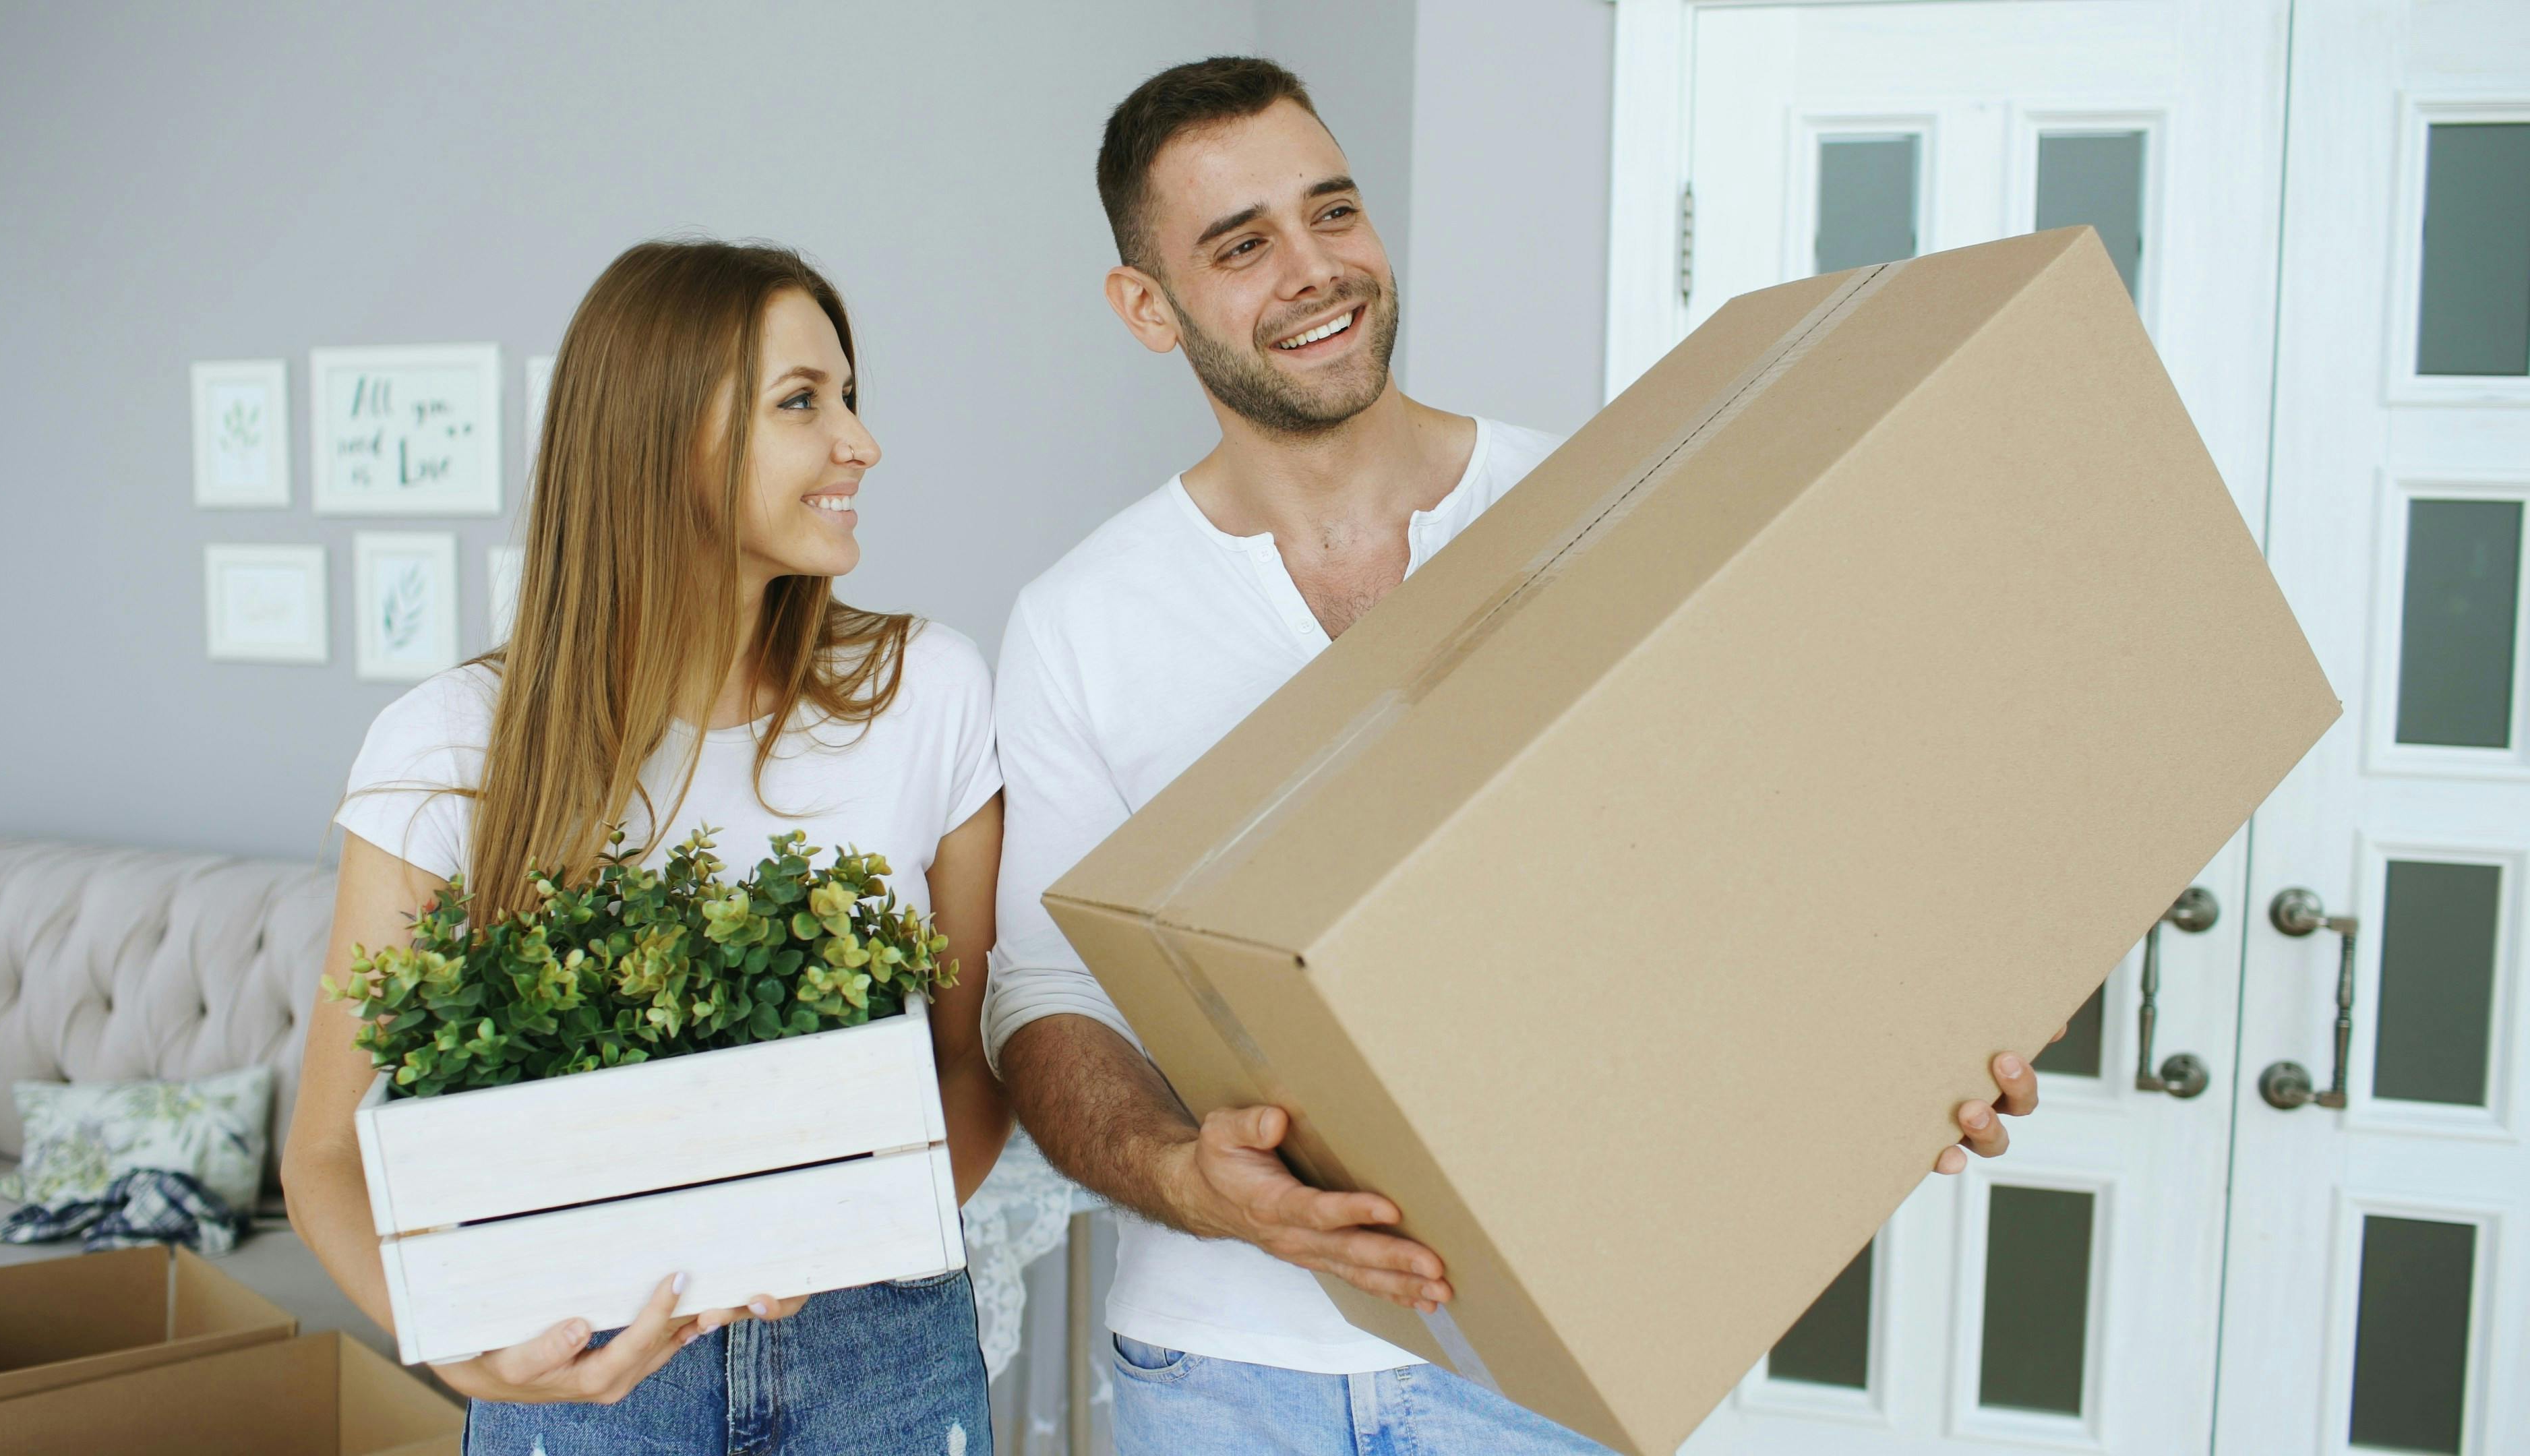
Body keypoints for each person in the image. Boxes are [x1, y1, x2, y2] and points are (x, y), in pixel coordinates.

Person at [983, 57, 2057, 1453]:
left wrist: (1908, 1048)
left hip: (1540, 1366)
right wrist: (1193, 1180)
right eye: (1242, 245)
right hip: (1222, 1372)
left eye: (1335, 212)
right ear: (1149, 306)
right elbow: (1045, 998)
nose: (1315, 271)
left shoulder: (1599, 514)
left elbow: (1766, 860)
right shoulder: (1081, 620)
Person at [285, 239, 1008, 1454]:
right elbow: (323, 1156)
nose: (859, 444)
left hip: (876, 1351)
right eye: (801, 403)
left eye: (848, 397)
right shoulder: (448, 747)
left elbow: (968, 1070)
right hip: (587, 1373)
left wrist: (833, 1229)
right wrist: (472, 1358)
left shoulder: (926, 692)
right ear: (663, 440)